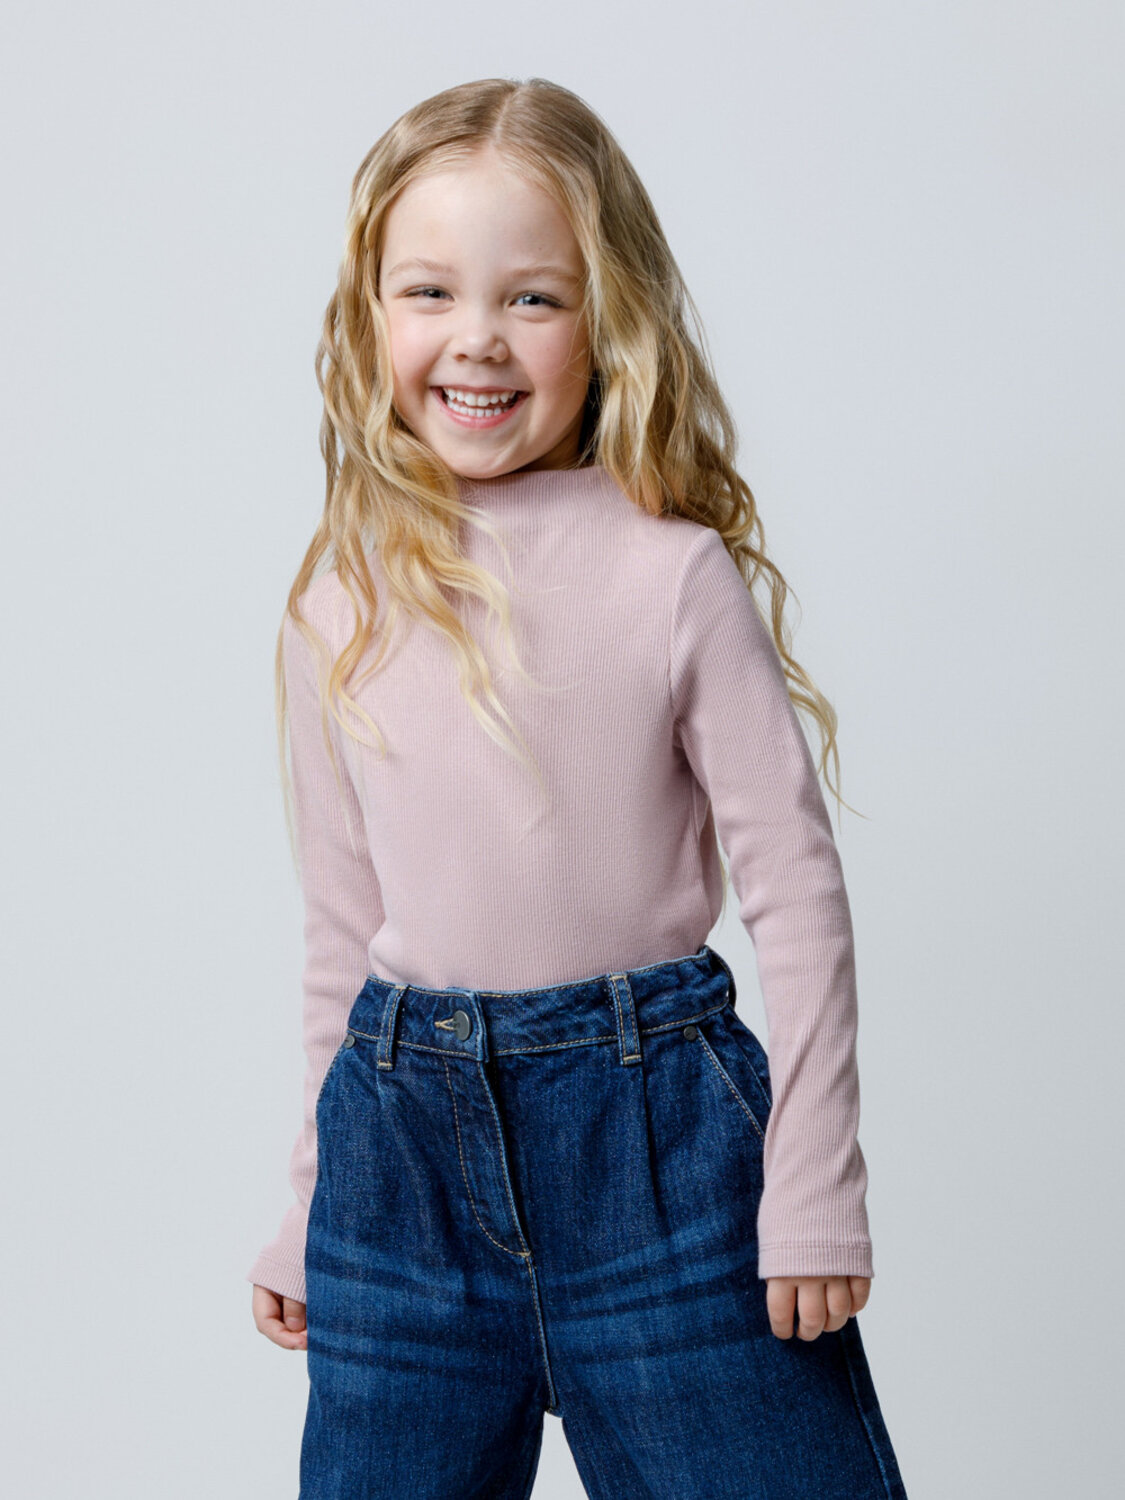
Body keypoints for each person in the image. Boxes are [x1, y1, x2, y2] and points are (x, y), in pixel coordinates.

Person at [246, 75, 909, 1500]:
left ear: (607, 323)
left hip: (661, 1152)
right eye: (429, 291)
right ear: (370, 316)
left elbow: (795, 890)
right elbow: (342, 940)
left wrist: (814, 1179)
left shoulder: (672, 573)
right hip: (400, 1181)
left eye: (533, 299)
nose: (477, 338)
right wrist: (308, 1203)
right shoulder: (336, 604)